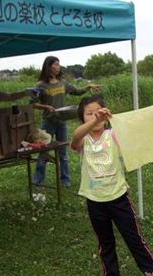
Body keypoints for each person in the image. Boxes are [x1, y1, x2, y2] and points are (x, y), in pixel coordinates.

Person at [71, 94, 153, 276]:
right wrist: (95, 120)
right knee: (105, 243)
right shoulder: (84, 141)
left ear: (106, 115)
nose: (94, 117)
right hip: (95, 201)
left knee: (134, 240)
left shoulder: (113, 135)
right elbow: (75, 136)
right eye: (88, 114)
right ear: (82, 119)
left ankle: (152, 273)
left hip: (119, 199)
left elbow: (138, 124)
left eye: (97, 112)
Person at [32, 56, 99, 188]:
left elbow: (77, 92)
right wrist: (45, 107)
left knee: (63, 153)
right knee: (43, 152)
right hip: (48, 123)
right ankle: (38, 181)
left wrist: (88, 87)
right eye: (56, 64)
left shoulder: (62, 83)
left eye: (59, 64)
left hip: (61, 123)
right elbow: (32, 103)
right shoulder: (40, 86)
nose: (59, 67)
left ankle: (65, 180)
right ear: (48, 66)